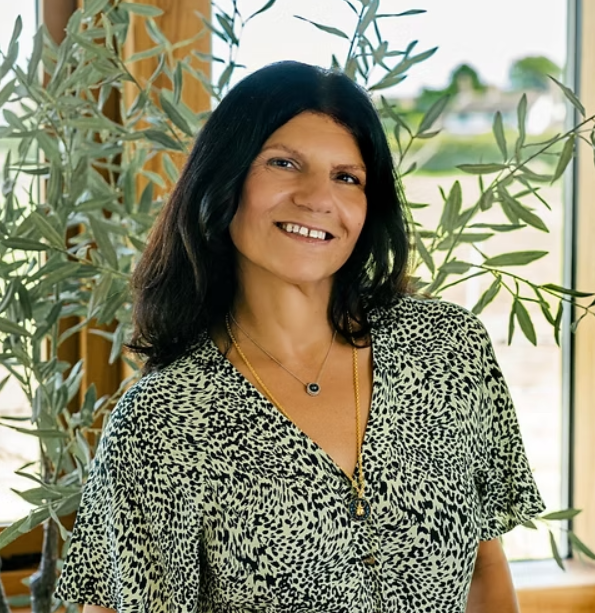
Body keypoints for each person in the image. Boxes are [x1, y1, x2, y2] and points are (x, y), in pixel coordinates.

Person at [54, 61, 544, 613]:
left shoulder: (447, 349)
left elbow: (485, 569)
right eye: (284, 163)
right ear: (224, 179)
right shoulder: (163, 421)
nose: (317, 198)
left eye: (346, 177)